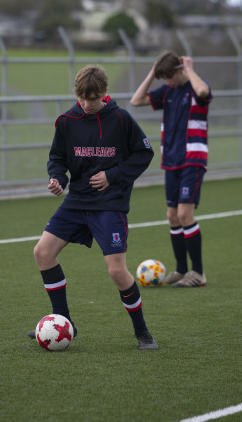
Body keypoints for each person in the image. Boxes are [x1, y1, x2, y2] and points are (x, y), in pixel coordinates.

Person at [27, 65, 158, 350]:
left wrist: (113, 175)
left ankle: (142, 331)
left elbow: (144, 153)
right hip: (76, 202)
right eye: (82, 98)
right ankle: (64, 321)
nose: (87, 104)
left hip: (109, 205)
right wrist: (58, 179)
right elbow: (57, 158)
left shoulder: (121, 119)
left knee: (116, 271)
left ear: (104, 93)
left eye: (93, 99)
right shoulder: (67, 121)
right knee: (42, 253)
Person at [130, 50, 212, 288]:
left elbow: (203, 92)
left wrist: (189, 69)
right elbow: (136, 100)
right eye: (163, 78)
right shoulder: (167, 91)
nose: (167, 81)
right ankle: (182, 269)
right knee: (172, 216)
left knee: (185, 214)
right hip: (172, 160)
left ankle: (198, 272)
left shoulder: (196, 88)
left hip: (192, 159)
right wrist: (152, 73)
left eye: (169, 76)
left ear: (179, 70)